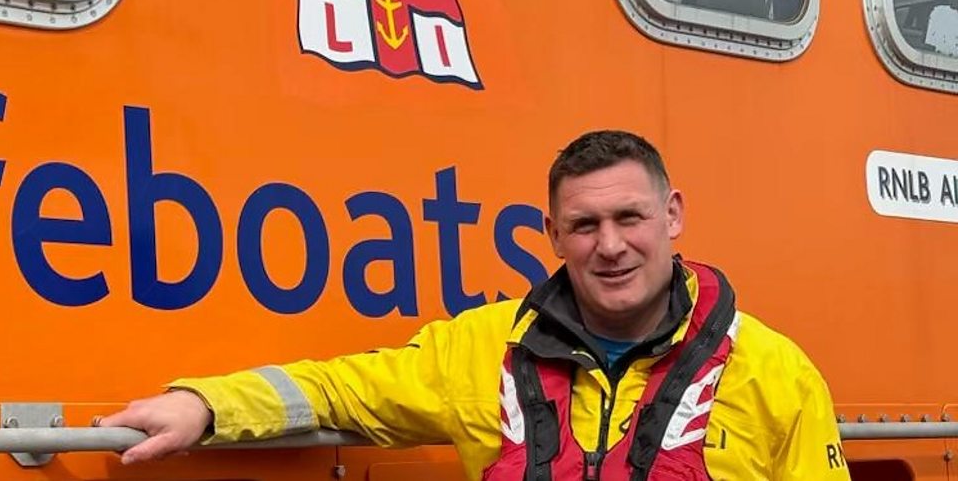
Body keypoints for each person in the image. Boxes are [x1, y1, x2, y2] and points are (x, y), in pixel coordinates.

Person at [102, 130, 850, 480]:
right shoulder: (484, 348)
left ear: (673, 215)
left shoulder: (775, 372)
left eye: (630, 218)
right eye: (585, 225)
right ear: (553, 232)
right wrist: (206, 406)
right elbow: (341, 388)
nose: (611, 245)